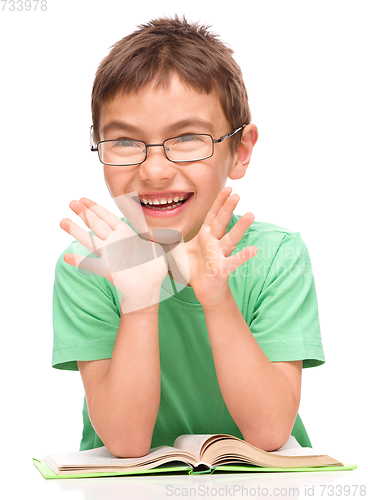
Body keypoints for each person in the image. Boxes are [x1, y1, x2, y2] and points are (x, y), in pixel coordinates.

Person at [53, 16, 325, 458]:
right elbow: (125, 442)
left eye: (186, 139)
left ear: (240, 150)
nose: (154, 170)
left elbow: (271, 431)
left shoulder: (277, 256)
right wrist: (139, 299)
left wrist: (216, 300)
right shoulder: (90, 264)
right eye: (124, 142)